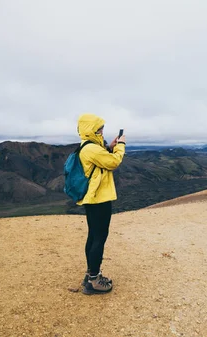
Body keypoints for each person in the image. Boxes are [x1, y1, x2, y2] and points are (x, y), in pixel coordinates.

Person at [75, 113, 126, 295]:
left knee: (94, 235)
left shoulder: (89, 147)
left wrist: (109, 147)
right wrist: (120, 146)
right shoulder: (92, 149)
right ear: (92, 130)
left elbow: (103, 157)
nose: (102, 131)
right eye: (99, 128)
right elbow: (113, 162)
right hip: (99, 199)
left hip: (93, 199)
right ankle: (94, 281)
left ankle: (90, 274)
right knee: (99, 237)